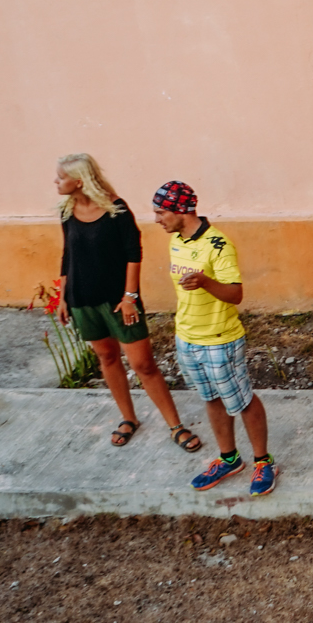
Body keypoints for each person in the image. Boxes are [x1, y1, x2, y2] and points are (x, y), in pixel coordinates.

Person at [55, 153, 201, 454]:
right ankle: (128, 418)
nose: (55, 182)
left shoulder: (116, 211)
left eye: (61, 177)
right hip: (82, 300)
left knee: (143, 364)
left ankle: (175, 425)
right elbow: (68, 254)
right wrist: (63, 297)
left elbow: (133, 254)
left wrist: (129, 297)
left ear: (79, 181)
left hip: (118, 302)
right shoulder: (66, 211)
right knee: (107, 358)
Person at [152, 180, 277, 496]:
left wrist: (206, 282)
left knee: (242, 400)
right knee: (210, 398)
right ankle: (229, 459)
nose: (156, 219)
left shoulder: (219, 245)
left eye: (161, 212)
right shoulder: (176, 240)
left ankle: (264, 462)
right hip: (187, 337)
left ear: (181, 210)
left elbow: (236, 294)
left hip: (220, 339)